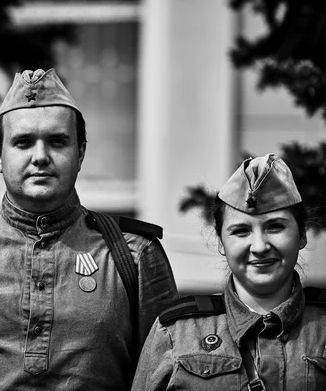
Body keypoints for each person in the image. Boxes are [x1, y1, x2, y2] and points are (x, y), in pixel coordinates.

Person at [0, 68, 178, 390]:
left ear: (80, 153)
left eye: (57, 141)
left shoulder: (133, 253)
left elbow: (166, 371)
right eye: (23, 142)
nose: (40, 157)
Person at [132, 153, 326, 390]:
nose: (259, 246)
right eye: (241, 231)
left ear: (302, 235)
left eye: (275, 227)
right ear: (221, 243)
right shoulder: (176, 333)